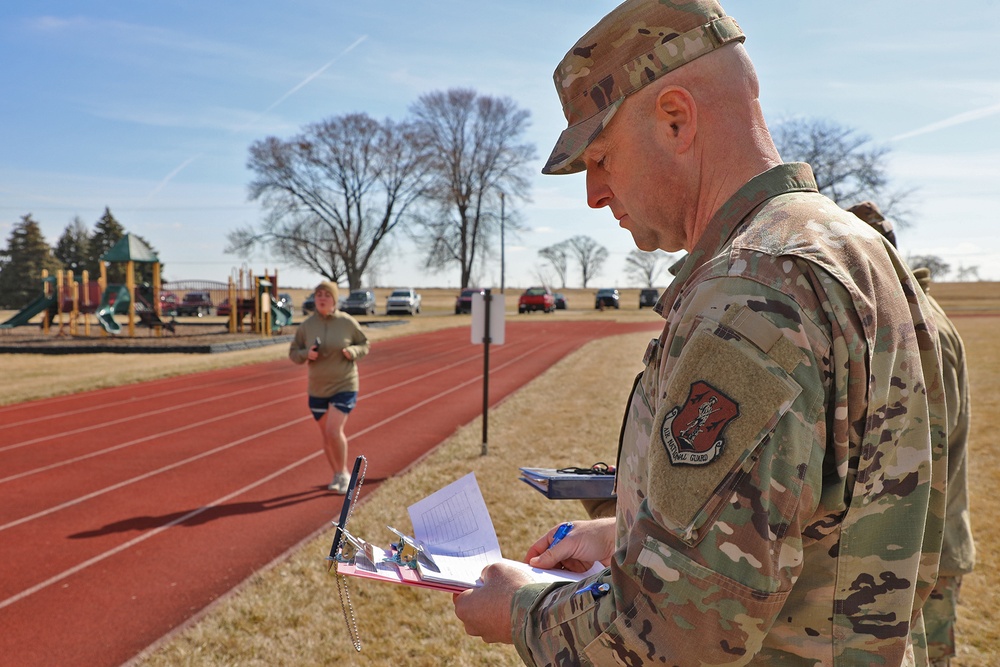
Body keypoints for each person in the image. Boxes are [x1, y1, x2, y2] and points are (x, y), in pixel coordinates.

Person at [452, 1, 948, 664]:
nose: (595, 195)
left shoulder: (752, 290)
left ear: (677, 120)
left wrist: (518, 610)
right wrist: (626, 534)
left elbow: (679, 637)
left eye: (601, 158)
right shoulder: (861, 255)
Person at [849, 201, 975, 667]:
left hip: (925, 553)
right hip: (916, 549)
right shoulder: (904, 318)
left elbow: (925, 448)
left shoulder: (920, 328)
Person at [289, 280, 369, 494]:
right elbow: (293, 353)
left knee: (334, 430)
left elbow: (364, 344)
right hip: (317, 389)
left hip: (344, 383)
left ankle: (344, 473)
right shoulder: (306, 326)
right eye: (318, 294)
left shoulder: (347, 322)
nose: (322, 298)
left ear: (334, 299)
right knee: (327, 435)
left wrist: (353, 352)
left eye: (327, 294)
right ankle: (336, 473)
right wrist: (307, 354)